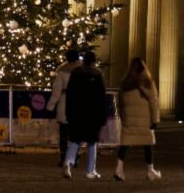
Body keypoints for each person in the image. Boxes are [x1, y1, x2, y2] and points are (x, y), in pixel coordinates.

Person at [62, 51, 108, 179]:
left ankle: (68, 161)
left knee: (76, 139)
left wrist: (68, 112)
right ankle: (90, 170)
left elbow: (70, 94)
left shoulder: (75, 73)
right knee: (92, 142)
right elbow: (101, 98)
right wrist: (102, 116)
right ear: (93, 61)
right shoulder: (97, 75)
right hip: (92, 113)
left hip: (77, 112)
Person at [114, 57, 162, 181]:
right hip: (144, 120)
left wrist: (123, 117)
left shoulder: (125, 83)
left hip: (129, 120)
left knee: (124, 145)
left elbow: (120, 103)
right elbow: (153, 102)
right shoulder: (147, 82)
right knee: (148, 145)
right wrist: (155, 120)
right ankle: (150, 170)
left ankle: (118, 169)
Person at [50, 48, 81, 163]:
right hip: (78, 103)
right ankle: (75, 155)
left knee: (64, 132)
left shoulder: (62, 70)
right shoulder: (82, 70)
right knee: (76, 133)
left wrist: (51, 105)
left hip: (64, 102)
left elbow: (57, 90)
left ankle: (64, 156)